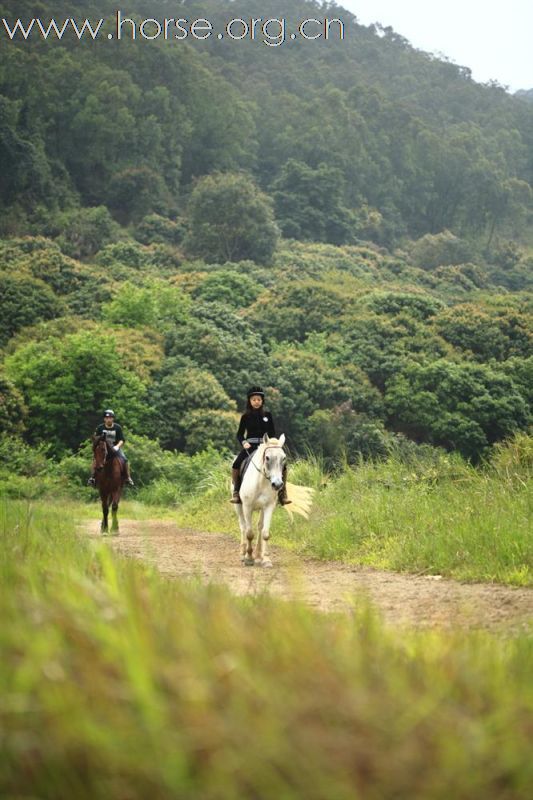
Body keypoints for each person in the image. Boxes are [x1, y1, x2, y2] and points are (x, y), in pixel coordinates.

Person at [230, 386, 291, 505]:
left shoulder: (268, 415)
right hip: (251, 446)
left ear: (262, 401)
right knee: (236, 464)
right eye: (254, 400)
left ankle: (282, 493)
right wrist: (244, 442)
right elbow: (239, 434)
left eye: (258, 399)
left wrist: (273, 445)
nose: (256, 402)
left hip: (266, 447)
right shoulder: (245, 417)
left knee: (283, 466)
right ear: (250, 401)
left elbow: (272, 433)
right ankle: (236, 492)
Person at [87, 409, 135, 487]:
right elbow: (97, 439)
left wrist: (117, 446)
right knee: (95, 460)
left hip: (115, 448)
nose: (108, 419)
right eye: (107, 418)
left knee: (125, 459)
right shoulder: (100, 427)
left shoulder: (117, 427)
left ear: (113, 419)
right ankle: (92, 478)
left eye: (110, 418)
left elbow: (122, 440)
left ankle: (128, 478)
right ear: (104, 419)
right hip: (103, 448)